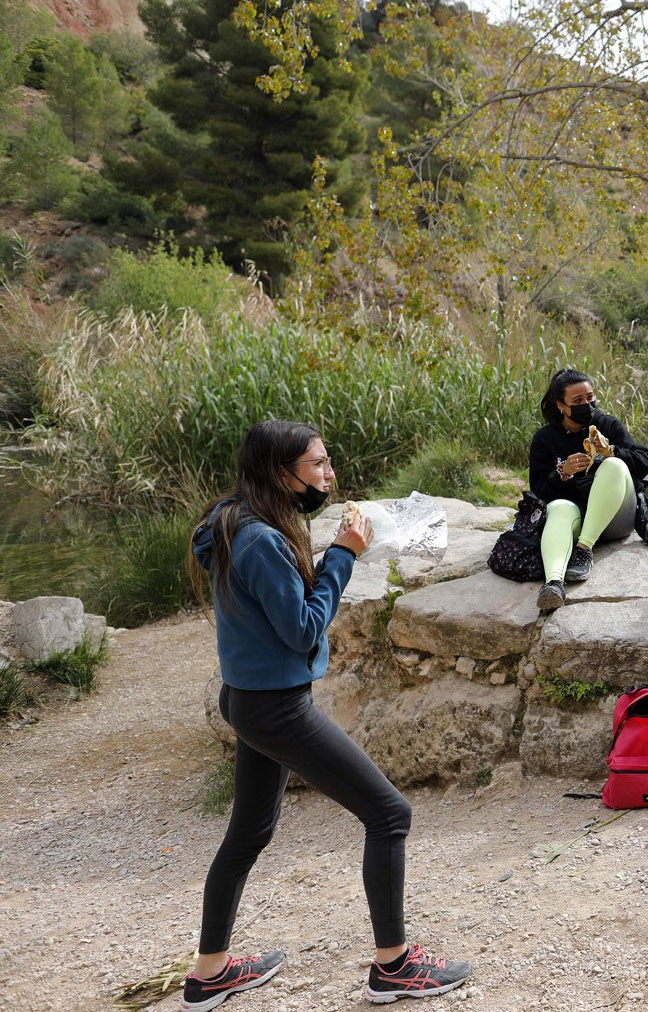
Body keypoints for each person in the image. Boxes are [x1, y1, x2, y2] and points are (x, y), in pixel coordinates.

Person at [185, 420, 470, 1011]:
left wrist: (327, 552)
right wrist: (344, 555)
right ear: (280, 473)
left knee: (250, 831)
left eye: (328, 461)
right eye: (317, 465)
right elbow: (304, 631)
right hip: (276, 707)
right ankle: (394, 966)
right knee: (390, 814)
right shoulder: (261, 541)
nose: (329, 475)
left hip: (247, 700)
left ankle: (208, 974)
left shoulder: (228, 521)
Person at [528, 368, 648, 612]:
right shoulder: (545, 440)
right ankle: (553, 584)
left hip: (617, 518)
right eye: (578, 401)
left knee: (614, 465)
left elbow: (645, 461)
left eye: (590, 397)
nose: (587, 404)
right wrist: (563, 472)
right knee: (558, 507)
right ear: (561, 406)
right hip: (578, 517)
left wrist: (612, 451)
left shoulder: (607, 424)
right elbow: (539, 494)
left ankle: (584, 551)